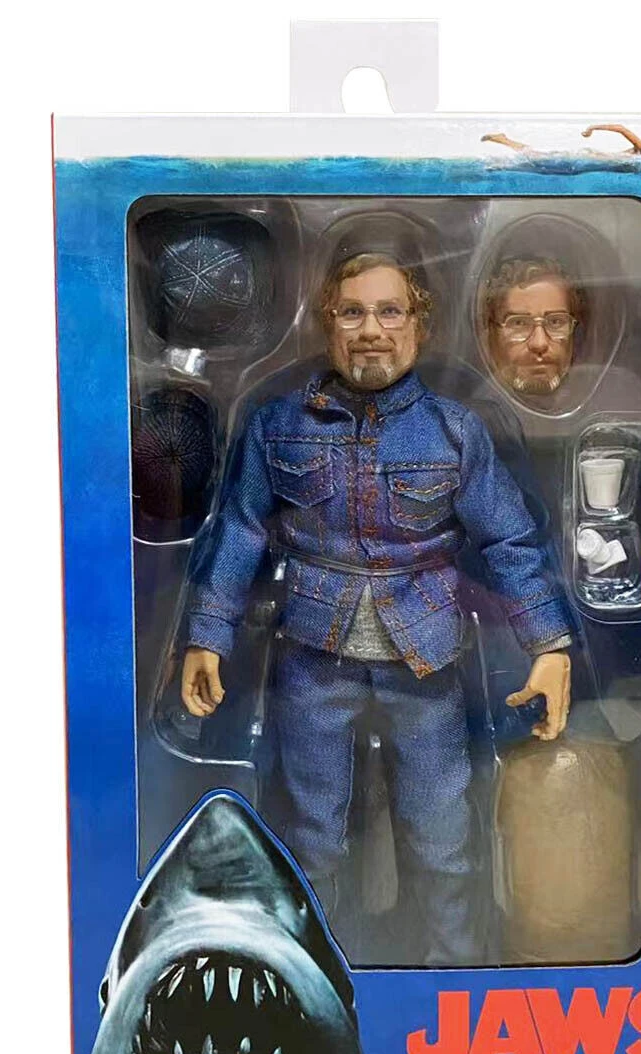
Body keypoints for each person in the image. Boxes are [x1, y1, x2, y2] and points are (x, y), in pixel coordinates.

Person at [180, 253, 575, 963]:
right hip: (312, 660)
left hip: (426, 662)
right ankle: (317, 975)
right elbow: (238, 532)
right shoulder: (278, 426)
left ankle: (453, 972)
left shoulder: (455, 432)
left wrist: (550, 646)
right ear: (326, 323)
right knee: (312, 838)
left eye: (390, 311)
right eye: (352, 312)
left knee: (442, 835)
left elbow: (510, 540)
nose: (371, 330)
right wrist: (207, 636)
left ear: (420, 324)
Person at [484, 257, 582, 396]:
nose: (539, 343)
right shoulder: (466, 408)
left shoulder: (603, 397)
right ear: (490, 332)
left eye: (555, 322)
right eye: (519, 323)